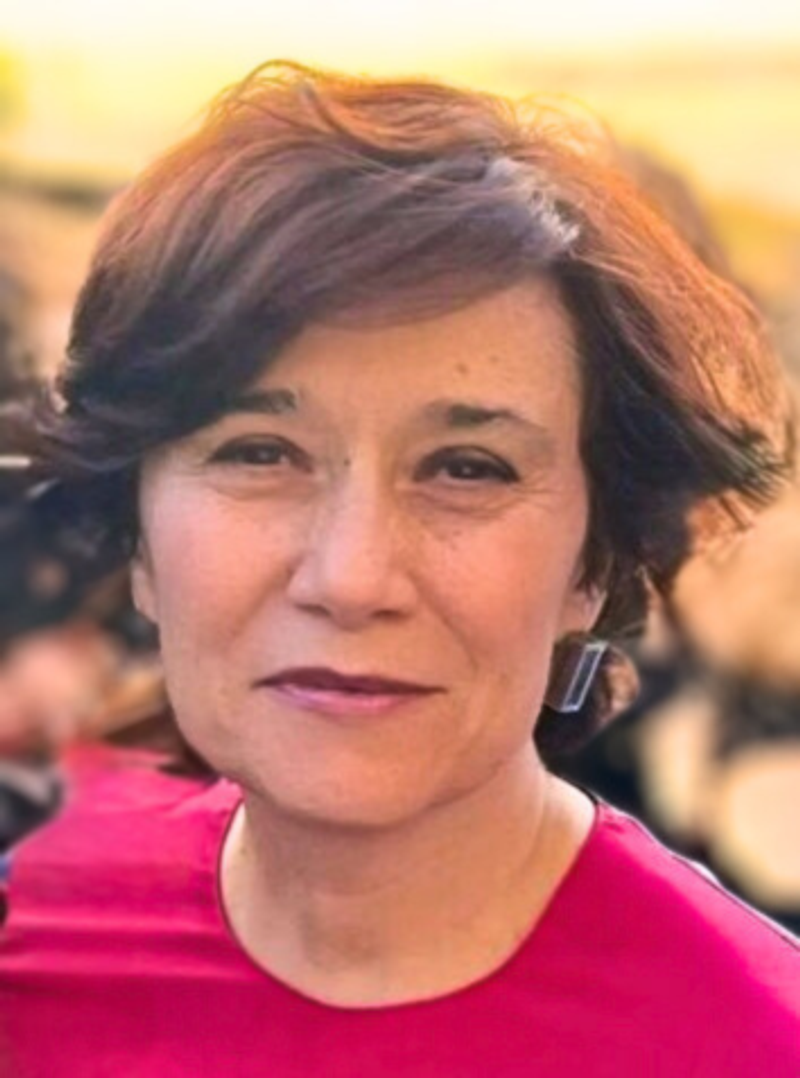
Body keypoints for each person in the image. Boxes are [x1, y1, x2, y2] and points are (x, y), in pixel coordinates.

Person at [0, 61, 797, 1076]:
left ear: (594, 564)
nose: (351, 576)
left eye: (466, 468)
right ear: (137, 539)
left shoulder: (752, 1042)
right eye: (259, 452)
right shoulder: (30, 935)